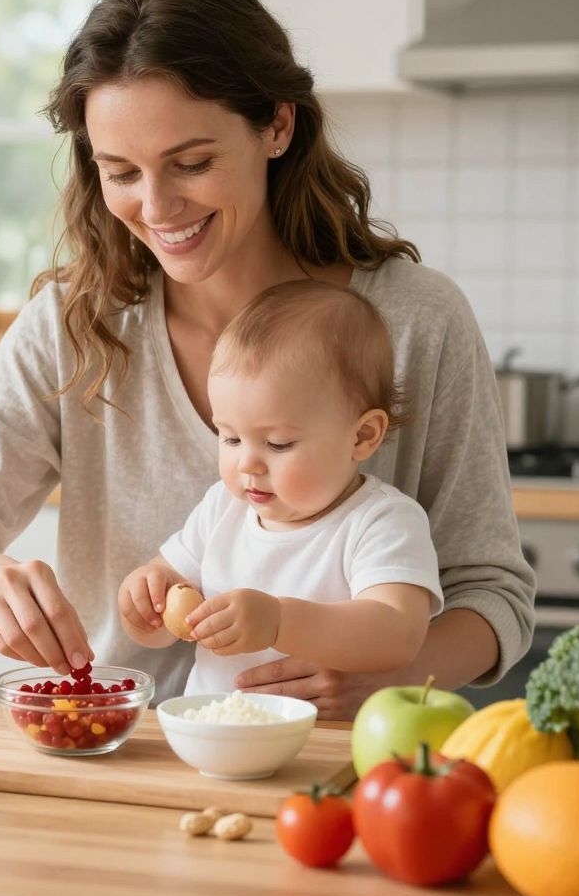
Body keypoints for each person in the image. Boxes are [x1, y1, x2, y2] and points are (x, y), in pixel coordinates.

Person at [0, 0, 534, 717]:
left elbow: (492, 593)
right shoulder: (76, 325)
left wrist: (398, 671)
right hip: (116, 754)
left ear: (277, 126)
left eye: (192, 164)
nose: (157, 208)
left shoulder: (416, 320)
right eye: (120, 172)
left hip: (340, 767)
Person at [118, 280, 442, 696]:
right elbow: (167, 622)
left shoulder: (380, 521)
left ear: (362, 435)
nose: (247, 463)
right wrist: (146, 604)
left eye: (278, 444)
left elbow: (397, 635)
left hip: (322, 750)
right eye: (230, 438)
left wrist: (278, 622)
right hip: (215, 739)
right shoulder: (222, 509)